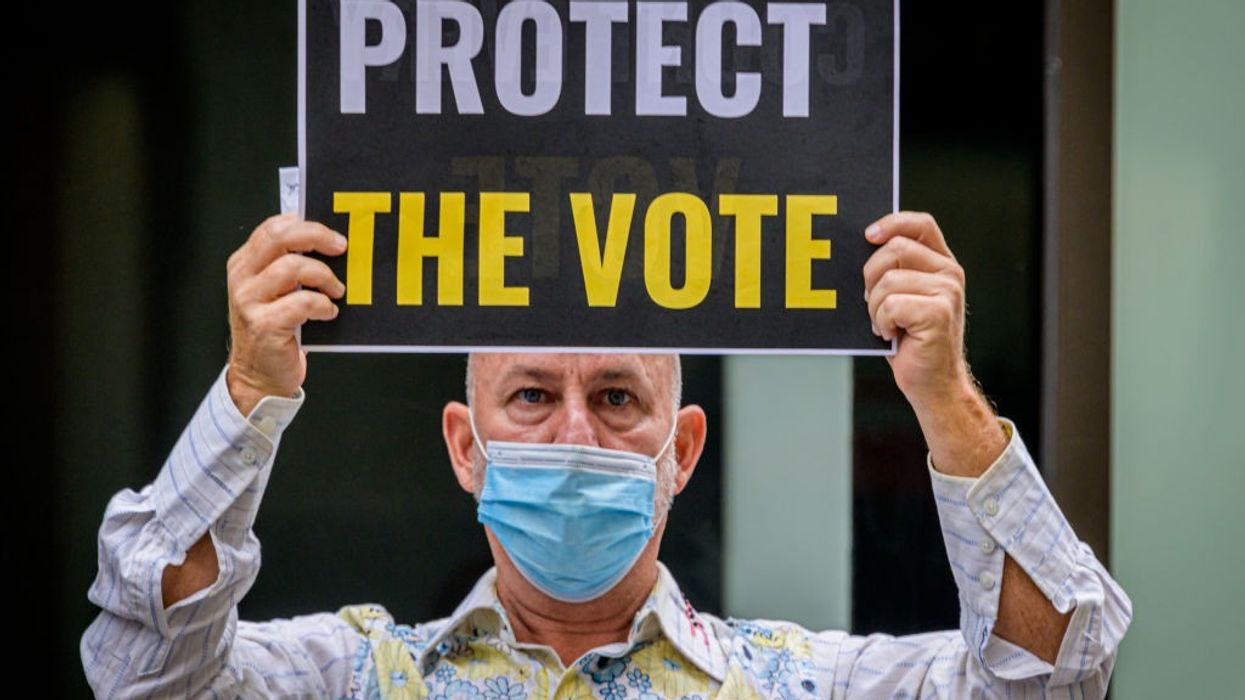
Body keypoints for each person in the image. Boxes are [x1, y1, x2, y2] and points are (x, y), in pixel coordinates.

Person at [79, 211, 1131, 698]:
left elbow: (1050, 680)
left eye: (617, 396)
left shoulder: (799, 686)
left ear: (682, 450)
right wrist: (251, 394)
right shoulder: (352, 679)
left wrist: (948, 401)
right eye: (531, 395)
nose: (575, 433)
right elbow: (146, 674)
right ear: (466, 445)